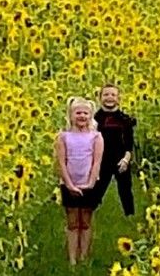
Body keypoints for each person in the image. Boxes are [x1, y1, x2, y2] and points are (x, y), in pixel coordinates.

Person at [54, 97, 104, 265]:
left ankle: (84, 256)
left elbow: (97, 162)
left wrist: (90, 183)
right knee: (73, 222)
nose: (82, 116)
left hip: (89, 184)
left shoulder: (96, 137)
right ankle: (72, 259)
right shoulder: (63, 137)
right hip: (69, 184)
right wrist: (68, 184)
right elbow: (61, 162)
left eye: (85, 113)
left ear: (91, 116)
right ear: (71, 115)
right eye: (78, 113)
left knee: (86, 221)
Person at [92, 83, 138, 217]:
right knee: (96, 190)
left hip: (120, 160)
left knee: (125, 191)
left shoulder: (125, 120)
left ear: (118, 98)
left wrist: (126, 160)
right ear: (100, 98)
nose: (109, 97)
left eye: (113, 95)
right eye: (106, 94)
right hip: (101, 160)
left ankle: (130, 218)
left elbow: (129, 144)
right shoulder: (94, 120)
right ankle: (88, 217)